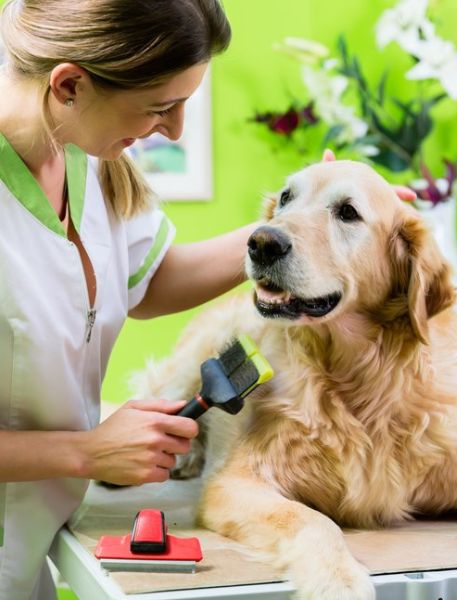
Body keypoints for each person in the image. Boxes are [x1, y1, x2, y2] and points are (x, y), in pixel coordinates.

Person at [0, 1, 257, 598]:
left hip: (29, 552)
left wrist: (284, 236)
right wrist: (87, 451)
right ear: (69, 84)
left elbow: (146, 281)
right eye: (161, 107)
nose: (175, 131)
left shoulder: (87, 161)